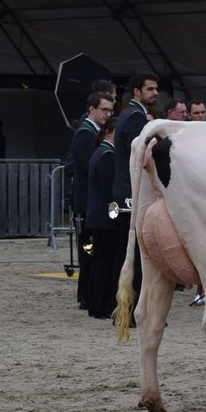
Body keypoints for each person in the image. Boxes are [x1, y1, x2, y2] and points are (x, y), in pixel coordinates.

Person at [111, 73, 160, 311]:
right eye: (150, 89)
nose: (155, 93)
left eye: (155, 89)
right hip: (131, 193)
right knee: (135, 255)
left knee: (126, 251)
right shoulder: (135, 117)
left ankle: (124, 307)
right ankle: (131, 308)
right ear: (136, 91)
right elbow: (139, 157)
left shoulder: (129, 114)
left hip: (124, 191)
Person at [68, 90, 114, 308]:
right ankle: (86, 293)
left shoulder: (91, 131)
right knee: (89, 250)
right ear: (92, 109)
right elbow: (87, 167)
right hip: (88, 205)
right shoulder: (85, 133)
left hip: (89, 204)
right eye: (104, 110)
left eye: (110, 110)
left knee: (91, 250)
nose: (107, 114)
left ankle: (87, 292)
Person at [84, 117, 119, 319]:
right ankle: (101, 306)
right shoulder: (107, 155)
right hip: (104, 221)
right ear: (110, 132)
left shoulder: (100, 153)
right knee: (104, 264)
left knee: (98, 262)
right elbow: (109, 192)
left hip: (96, 219)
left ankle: (96, 305)